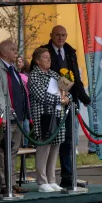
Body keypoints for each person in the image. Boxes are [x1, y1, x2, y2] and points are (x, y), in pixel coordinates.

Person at [36, 25, 91, 188]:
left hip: (69, 102)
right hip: (52, 106)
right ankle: (46, 179)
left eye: (63, 35)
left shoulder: (70, 51)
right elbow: (42, 76)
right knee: (52, 141)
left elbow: (76, 79)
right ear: (51, 35)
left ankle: (68, 176)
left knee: (68, 140)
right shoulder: (43, 51)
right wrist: (60, 91)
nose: (61, 38)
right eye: (58, 35)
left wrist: (84, 98)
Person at [0, 38, 30, 195]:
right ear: (3, 53)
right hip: (5, 117)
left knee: (13, 150)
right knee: (3, 151)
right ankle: (5, 184)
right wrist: (2, 116)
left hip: (17, 117)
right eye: (12, 49)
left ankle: (12, 183)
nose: (16, 52)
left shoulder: (12, 68)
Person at [28, 48, 70, 192]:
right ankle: (42, 181)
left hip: (57, 114)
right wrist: (60, 99)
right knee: (44, 148)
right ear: (37, 60)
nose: (48, 59)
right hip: (43, 116)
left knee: (55, 148)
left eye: (49, 57)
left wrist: (67, 98)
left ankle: (52, 179)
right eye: (45, 57)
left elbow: (65, 91)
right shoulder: (34, 76)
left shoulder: (54, 74)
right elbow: (41, 96)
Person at [17, 56, 31, 147]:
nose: (18, 63)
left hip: (27, 103)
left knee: (26, 125)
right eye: (17, 61)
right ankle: (21, 144)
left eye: (20, 61)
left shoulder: (26, 75)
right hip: (19, 103)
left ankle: (26, 144)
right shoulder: (15, 74)